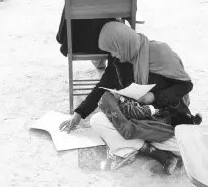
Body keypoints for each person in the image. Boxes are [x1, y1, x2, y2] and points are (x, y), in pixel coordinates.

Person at [59, 21, 201, 174]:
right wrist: (79, 113)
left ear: (123, 43)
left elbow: (185, 85)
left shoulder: (159, 52)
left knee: (188, 149)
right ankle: (149, 148)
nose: (113, 56)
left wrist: (155, 97)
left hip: (162, 116)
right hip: (135, 116)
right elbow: (102, 87)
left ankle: (139, 144)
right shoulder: (118, 59)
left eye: (114, 51)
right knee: (97, 121)